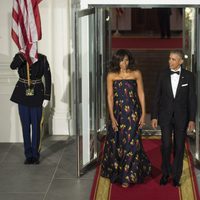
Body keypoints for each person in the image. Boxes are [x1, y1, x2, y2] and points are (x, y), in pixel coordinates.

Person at [100, 49, 151, 188]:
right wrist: (111, 117)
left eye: (127, 60)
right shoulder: (111, 75)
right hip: (118, 113)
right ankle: (119, 171)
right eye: (122, 60)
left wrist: (143, 114)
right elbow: (110, 97)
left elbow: (141, 93)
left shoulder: (136, 74)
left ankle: (128, 176)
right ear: (117, 61)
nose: (125, 63)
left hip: (133, 113)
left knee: (132, 143)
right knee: (118, 144)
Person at [151, 50, 196, 187]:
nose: (170, 61)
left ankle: (176, 176)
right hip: (165, 116)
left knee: (179, 147)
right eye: (169, 59)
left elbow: (192, 99)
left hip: (182, 117)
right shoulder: (163, 74)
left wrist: (192, 119)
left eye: (174, 59)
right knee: (166, 145)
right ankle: (165, 173)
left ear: (181, 61)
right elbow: (156, 96)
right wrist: (154, 116)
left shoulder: (189, 76)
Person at [10, 52, 51, 165]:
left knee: (36, 126)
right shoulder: (19, 56)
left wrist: (47, 96)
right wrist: (22, 57)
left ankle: (35, 154)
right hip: (22, 95)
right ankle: (28, 155)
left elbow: (47, 77)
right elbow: (12, 66)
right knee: (25, 125)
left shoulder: (42, 58)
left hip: (37, 95)